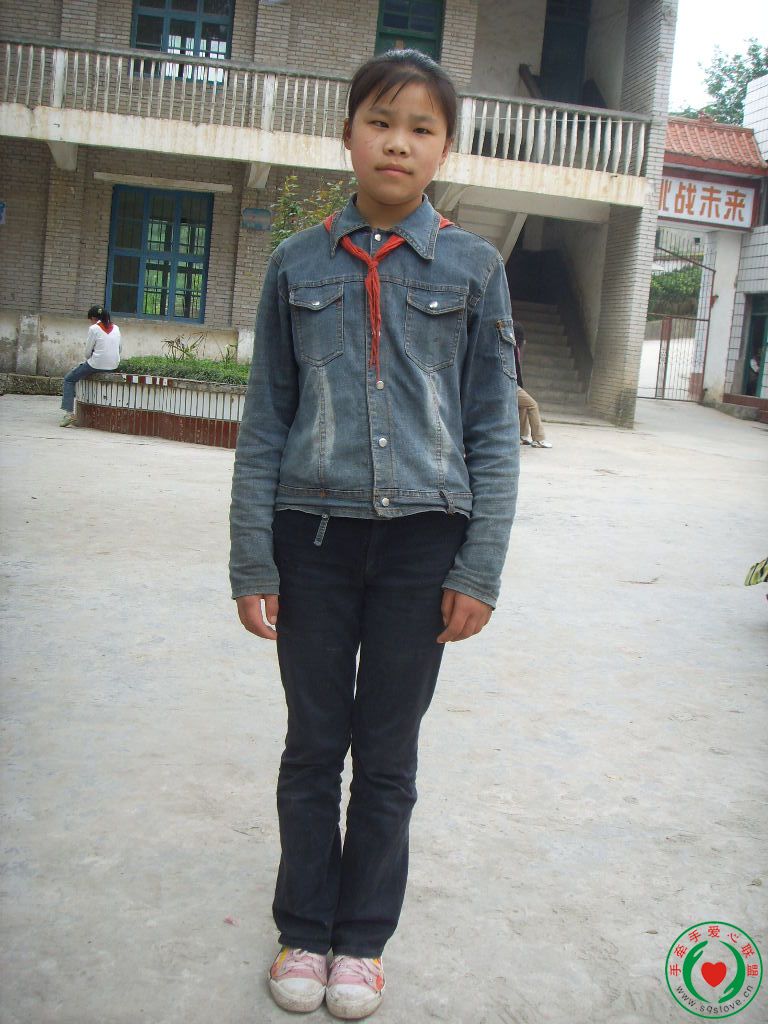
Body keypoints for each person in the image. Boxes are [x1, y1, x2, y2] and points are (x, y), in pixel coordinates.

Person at [230, 48, 519, 1020]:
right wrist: (251, 555)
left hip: (421, 548)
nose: (398, 142)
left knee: (387, 755)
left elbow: (492, 430)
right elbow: (266, 421)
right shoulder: (295, 264)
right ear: (347, 133)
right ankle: (303, 928)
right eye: (381, 121)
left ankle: (360, 942)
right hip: (310, 539)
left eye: (421, 128)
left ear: (445, 148)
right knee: (313, 745)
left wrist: (479, 566)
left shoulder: (475, 268)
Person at [60, 305, 121, 427]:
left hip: (96, 364)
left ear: (93, 318)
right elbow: (120, 349)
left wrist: (91, 358)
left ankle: (69, 414)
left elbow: (87, 353)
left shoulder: (94, 328)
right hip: (113, 364)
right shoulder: (116, 328)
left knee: (69, 379)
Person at [513, 321, 552, 449]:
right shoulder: (513, 348)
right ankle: (539, 439)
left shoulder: (513, 347)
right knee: (532, 405)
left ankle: (523, 436)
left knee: (523, 406)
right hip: (510, 385)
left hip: (512, 384)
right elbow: (516, 370)